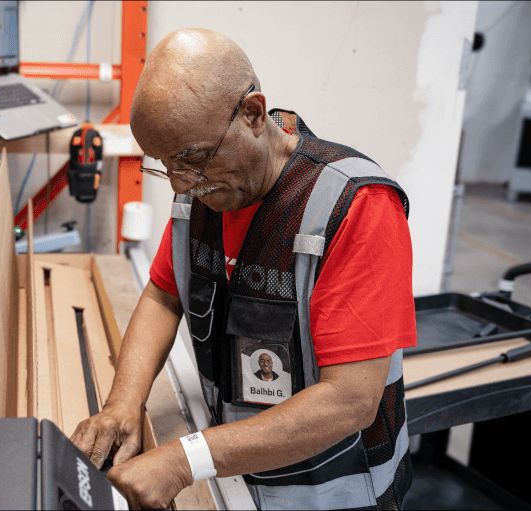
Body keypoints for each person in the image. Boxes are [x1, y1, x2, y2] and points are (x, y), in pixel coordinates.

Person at [71, 28, 416, 510]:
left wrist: (183, 461)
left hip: (336, 494)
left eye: (192, 158)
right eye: (164, 165)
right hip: (235, 479)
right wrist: (122, 405)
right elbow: (163, 295)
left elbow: (350, 401)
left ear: (253, 113)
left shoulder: (355, 205)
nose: (180, 184)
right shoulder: (204, 191)